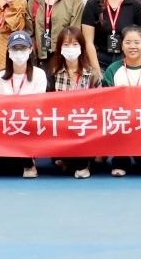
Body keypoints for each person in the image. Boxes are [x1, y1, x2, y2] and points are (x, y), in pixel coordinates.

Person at [102, 26, 141, 177]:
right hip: (121, 122)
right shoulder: (112, 69)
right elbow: (106, 101)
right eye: (128, 42)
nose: (132, 46)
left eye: (137, 42)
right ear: (122, 45)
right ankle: (120, 159)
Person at [0, 31, 48, 178]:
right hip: (7, 125)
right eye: (15, 48)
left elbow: (38, 104)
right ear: (8, 51)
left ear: (30, 50)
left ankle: (28, 159)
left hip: (30, 123)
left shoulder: (39, 74)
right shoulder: (0, 77)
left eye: (22, 48)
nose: (19, 52)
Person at [46, 27, 99, 178]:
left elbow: (100, 104)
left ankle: (77, 163)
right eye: (66, 45)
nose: (71, 48)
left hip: (84, 125)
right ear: (59, 48)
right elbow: (47, 103)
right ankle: (68, 160)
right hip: (60, 125)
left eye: (75, 44)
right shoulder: (53, 72)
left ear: (82, 47)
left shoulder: (92, 74)